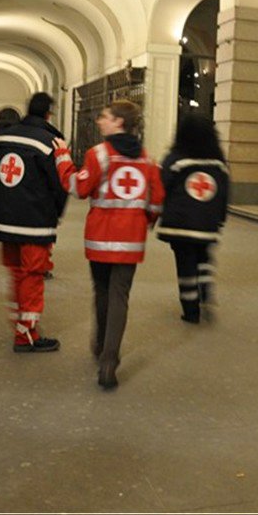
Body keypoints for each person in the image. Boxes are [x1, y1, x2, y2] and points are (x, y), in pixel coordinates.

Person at [52, 100, 164, 390]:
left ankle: (100, 345)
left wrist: (63, 158)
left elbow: (78, 187)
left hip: (100, 239)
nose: (100, 121)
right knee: (120, 296)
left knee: (101, 291)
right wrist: (145, 221)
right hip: (131, 241)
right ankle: (109, 361)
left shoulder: (99, 155)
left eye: (105, 117)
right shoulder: (148, 160)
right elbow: (156, 200)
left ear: (119, 122)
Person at [0, 92, 68, 353]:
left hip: (4, 220)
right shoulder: (49, 143)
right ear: (48, 114)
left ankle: (19, 324)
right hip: (34, 223)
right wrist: (54, 215)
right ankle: (27, 336)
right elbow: (60, 186)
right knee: (32, 277)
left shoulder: (2, 138)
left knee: (16, 274)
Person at [156, 114, 229, 324]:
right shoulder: (218, 163)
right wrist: (220, 218)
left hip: (180, 224)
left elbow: (162, 185)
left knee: (185, 265)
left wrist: (158, 212)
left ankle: (191, 310)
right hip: (207, 223)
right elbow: (224, 193)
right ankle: (205, 290)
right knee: (204, 256)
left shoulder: (175, 158)